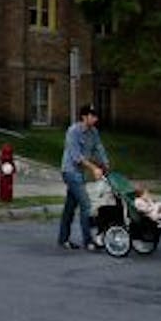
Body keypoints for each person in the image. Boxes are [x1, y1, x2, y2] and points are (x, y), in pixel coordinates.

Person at [57, 104, 110, 251]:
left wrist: (105, 164)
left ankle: (63, 239)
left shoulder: (93, 132)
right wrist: (94, 168)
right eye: (92, 116)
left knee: (70, 206)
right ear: (84, 117)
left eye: (96, 116)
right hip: (70, 171)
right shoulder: (73, 131)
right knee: (86, 205)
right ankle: (89, 242)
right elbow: (76, 157)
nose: (95, 119)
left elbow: (99, 148)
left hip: (80, 173)